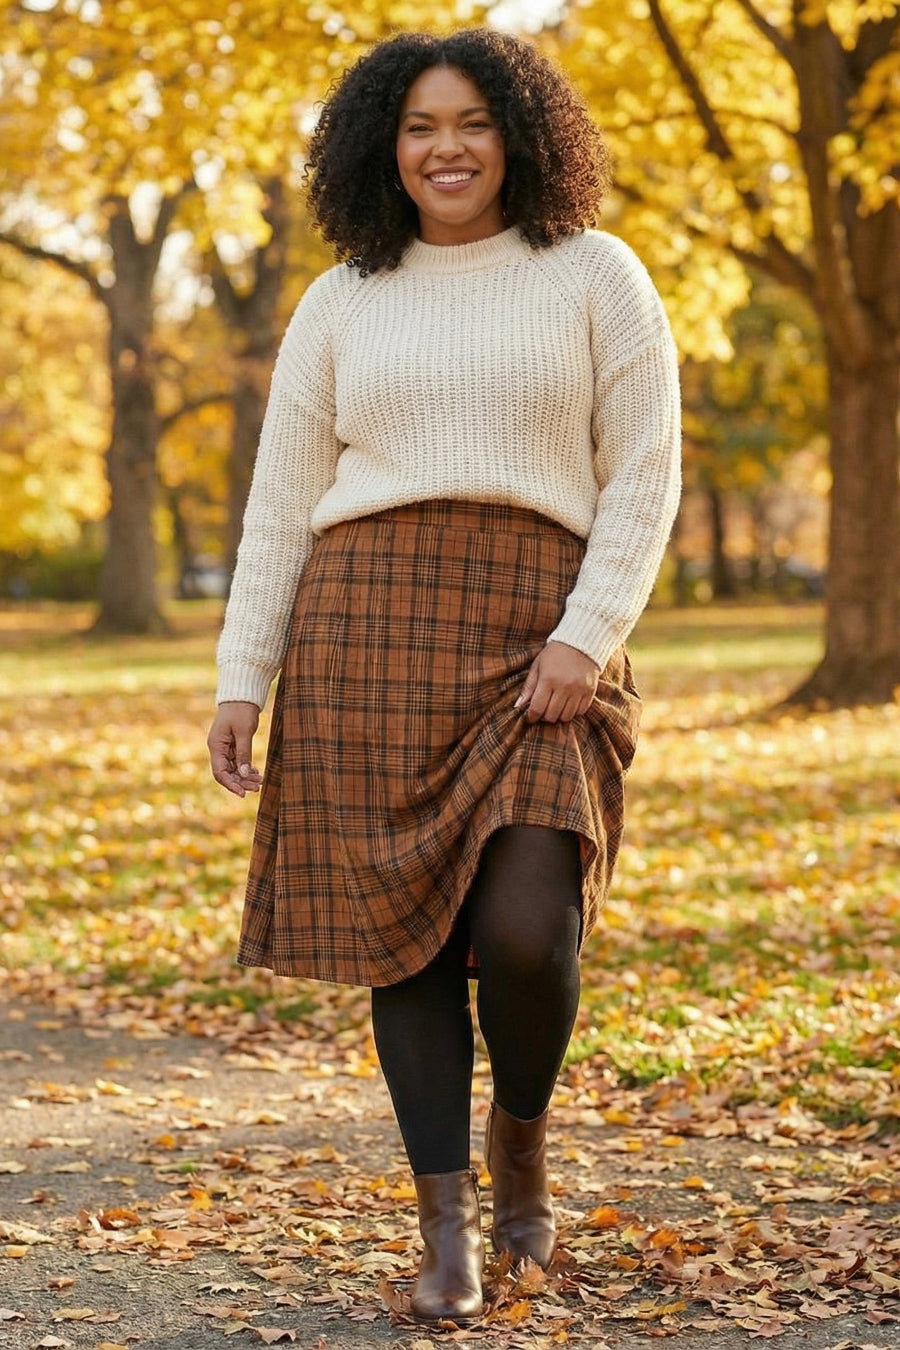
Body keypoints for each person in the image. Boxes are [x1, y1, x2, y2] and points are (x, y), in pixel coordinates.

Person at [207, 26, 681, 1327]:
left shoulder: (597, 275)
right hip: (364, 635)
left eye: (470, 121)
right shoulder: (342, 299)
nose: (447, 147)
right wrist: (243, 673)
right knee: (401, 944)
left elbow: (642, 473)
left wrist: (588, 635)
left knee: (529, 927)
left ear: (518, 135)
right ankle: (449, 1229)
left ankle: (521, 1145)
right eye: (420, 127)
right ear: (384, 146)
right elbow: (280, 505)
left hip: (543, 643)